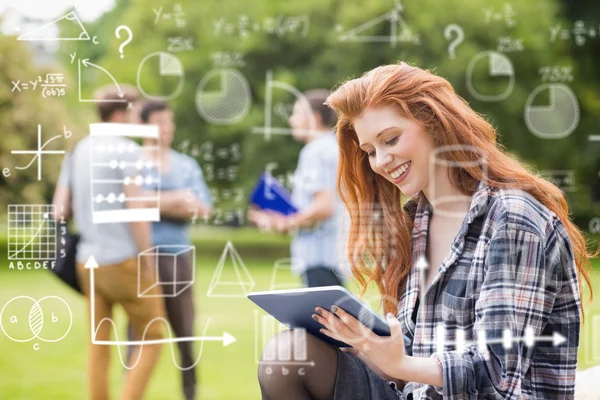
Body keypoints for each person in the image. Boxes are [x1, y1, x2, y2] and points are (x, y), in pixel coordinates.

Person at [257, 63, 596, 399]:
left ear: (435, 123)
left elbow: (498, 374)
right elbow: (412, 353)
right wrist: (365, 345)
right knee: (288, 357)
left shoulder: (512, 217)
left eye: (391, 139)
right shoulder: (416, 221)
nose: (381, 161)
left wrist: (401, 363)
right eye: (371, 151)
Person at [53, 86, 166, 400]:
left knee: (98, 343)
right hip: (124, 260)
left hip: (88, 261)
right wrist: (148, 259)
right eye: (135, 112)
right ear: (120, 114)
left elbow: (59, 209)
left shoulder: (78, 150)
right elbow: (136, 210)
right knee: (154, 335)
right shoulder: (127, 150)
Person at [126, 100, 213, 400]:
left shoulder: (186, 164)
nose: (167, 129)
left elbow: (203, 208)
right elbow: (126, 204)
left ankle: (190, 394)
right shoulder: (131, 161)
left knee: (184, 331)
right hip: (140, 258)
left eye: (169, 122)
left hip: (178, 259)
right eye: (160, 122)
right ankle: (131, 392)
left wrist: (150, 201)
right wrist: (177, 199)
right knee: (137, 332)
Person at [249, 89, 347, 288]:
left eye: (296, 113)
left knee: (322, 317)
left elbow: (324, 206)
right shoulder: (334, 147)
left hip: (318, 257)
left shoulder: (314, 151)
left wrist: (287, 222)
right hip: (333, 255)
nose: (291, 121)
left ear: (315, 118)